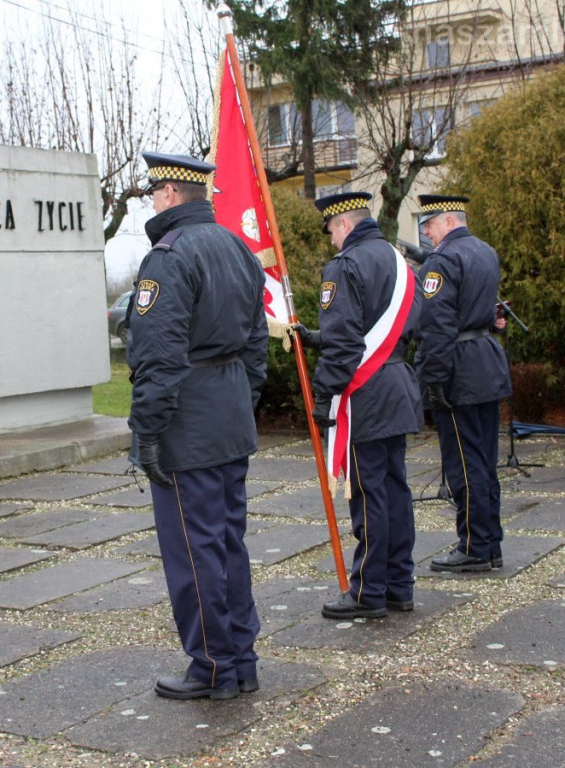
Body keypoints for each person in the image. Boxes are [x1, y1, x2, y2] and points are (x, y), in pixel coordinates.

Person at [128, 151, 268, 701]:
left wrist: (147, 432)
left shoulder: (168, 257)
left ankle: (213, 666)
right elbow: (256, 344)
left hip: (190, 421)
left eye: (153, 192)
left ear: (168, 194)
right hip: (227, 413)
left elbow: (158, 358)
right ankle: (241, 658)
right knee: (228, 542)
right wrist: (241, 397)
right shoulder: (237, 247)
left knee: (194, 551)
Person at [294, 192, 423, 619]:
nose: (331, 240)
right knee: (394, 489)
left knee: (368, 495)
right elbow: (401, 324)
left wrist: (325, 396)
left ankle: (368, 591)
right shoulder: (399, 261)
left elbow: (347, 342)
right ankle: (399, 584)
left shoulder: (345, 266)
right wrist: (315, 337)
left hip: (366, 394)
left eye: (331, 230)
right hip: (397, 382)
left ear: (344, 225)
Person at [414, 194, 512, 573]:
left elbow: (436, 325)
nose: (426, 230)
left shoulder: (442, 262)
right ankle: (490, 542)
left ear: (450, 220)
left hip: (459, 369)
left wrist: (434, 379)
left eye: (431, 223)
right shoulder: (484, 251)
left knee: (464, 462)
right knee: (485, 459)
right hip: (483, 363)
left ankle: (474, 545)